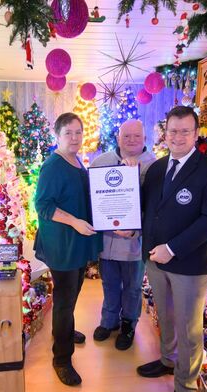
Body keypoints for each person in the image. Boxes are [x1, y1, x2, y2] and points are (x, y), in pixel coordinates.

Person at [136, 106, 207, 392]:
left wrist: (172, 248)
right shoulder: (156, 169)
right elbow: (148, 210)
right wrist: (126, 224)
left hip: (190, 263)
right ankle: (167, 360)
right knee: (165, 315)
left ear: (196, 133)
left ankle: (185, 387)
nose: (178, 137)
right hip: (155, 260)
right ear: (165, 133)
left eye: (185, 131)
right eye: (173, 131)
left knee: (189, 328)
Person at [34, 112, 102, 386]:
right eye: (68, 133)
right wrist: (74, 222)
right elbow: (43, 205)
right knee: (64, 300)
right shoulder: (53, 166)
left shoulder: (76, 160)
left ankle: (62, 330)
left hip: (77, 241)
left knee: (71, 295)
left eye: (78, 132)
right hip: (61, 244)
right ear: (57, 136)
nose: (74, 138)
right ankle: (61, 359)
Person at [90, 119, 156, 350]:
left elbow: (156, 208)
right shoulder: (100, 162)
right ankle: (109, 321)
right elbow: (92, 199)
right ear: (118, 138)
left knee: (132, 287)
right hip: (106, 242)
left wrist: (136, 230)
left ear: (145, 138)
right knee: (109, 284)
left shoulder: (154, 166)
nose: (131, 140)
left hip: (133, 244)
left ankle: (128, 325)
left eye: (137, 136)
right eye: (126, 136)